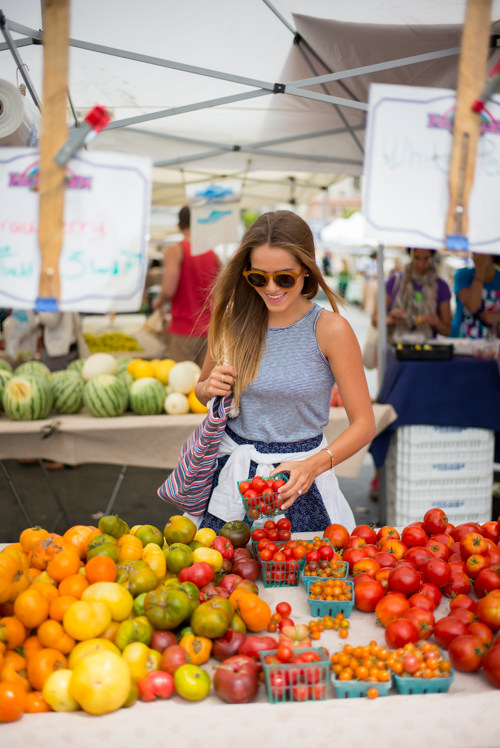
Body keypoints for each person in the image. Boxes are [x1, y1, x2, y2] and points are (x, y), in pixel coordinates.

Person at [192, 210, 376, 533]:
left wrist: (313, 466)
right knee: (228, 579)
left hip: (301, 482)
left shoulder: (331, 330)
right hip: (233, 482)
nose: (271, 288)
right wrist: (208, 388)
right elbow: (199, 388)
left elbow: (364, 425)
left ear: (307, 270)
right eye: (259, 278)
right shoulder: (233, 321)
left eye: (284, 278)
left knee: (300, 579)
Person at [153, 206, 219, 367]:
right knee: (203, 386)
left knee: (181, 384)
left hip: (183, 330)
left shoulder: (176, 250)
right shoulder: (213, 254)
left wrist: (158, 302)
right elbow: (219, 295)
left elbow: (169, 289)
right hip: (209, 333)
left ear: (179, 226)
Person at [374, 248, 451, 339]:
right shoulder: (394, 281)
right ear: (410, 256)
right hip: (396, 348)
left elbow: (447, 331)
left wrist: (437, 322)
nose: (421, 264)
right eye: (417, 258)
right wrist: (390, 319)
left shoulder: (441, 286)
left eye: (426, 259)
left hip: (427, 349)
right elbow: (374, 320)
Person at [451, 254, 500, 338]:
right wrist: (480, 270)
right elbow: (473, 306)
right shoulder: (463, 274)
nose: (476, 257)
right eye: (474, 253)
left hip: (492, 343)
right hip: (461, 341)